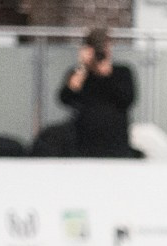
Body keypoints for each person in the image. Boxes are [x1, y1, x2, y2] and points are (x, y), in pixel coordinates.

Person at [56, 27, 135, 159]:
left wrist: (106, 74)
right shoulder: (79, 73)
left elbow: (127, 99)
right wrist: (82, 67)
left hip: (115, 142)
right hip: (83, 142)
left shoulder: (122, 72)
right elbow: (65, 99)